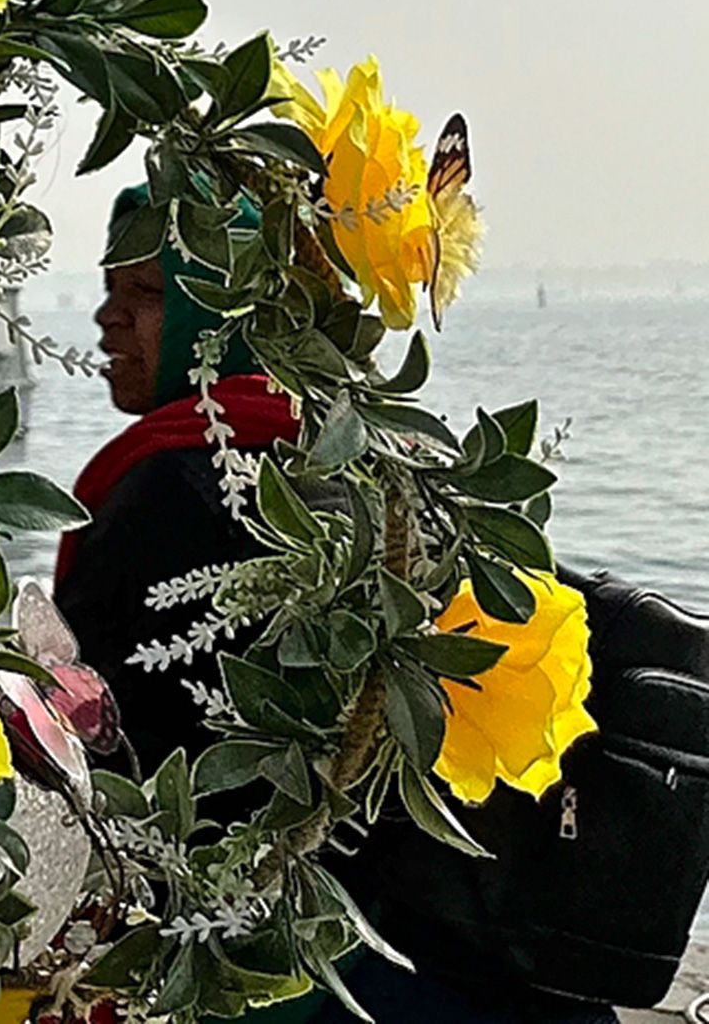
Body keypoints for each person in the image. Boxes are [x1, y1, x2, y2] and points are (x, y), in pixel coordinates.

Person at [59, 214, 610, 1024]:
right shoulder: (378, 464)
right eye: (110, 290)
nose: (108, 318)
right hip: (453, 952)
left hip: (298, 966)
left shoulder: (175, 488)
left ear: (226, 315)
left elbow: (101, 745)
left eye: (147, 292)